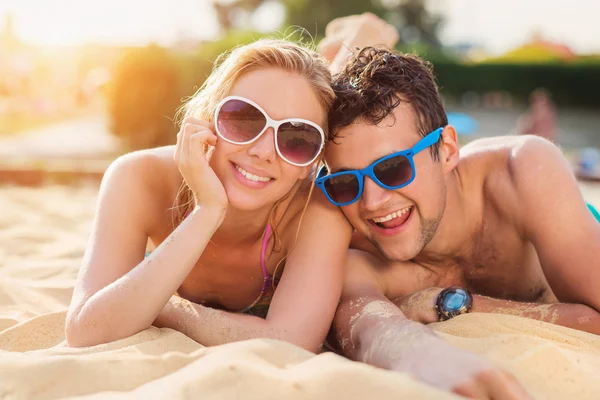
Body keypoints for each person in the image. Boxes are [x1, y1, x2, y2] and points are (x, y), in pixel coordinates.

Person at [317, 46, 599, 397]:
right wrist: (415, 353)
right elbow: (368, 330)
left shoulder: (523, 171)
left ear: (448, 150)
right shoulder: (357, 254)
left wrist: (452, 303)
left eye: (393, 168)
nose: (371, 202)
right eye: (345, 183)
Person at [64, 38, 354, 351]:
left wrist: (152, 304)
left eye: (298, 136)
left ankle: (353, 39)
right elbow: (85, 330)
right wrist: (208, 209)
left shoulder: (317, 212)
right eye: (244, 119)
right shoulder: (140, 177)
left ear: (312, 162)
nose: (263, 151)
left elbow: (292, 341)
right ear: (207, 117)